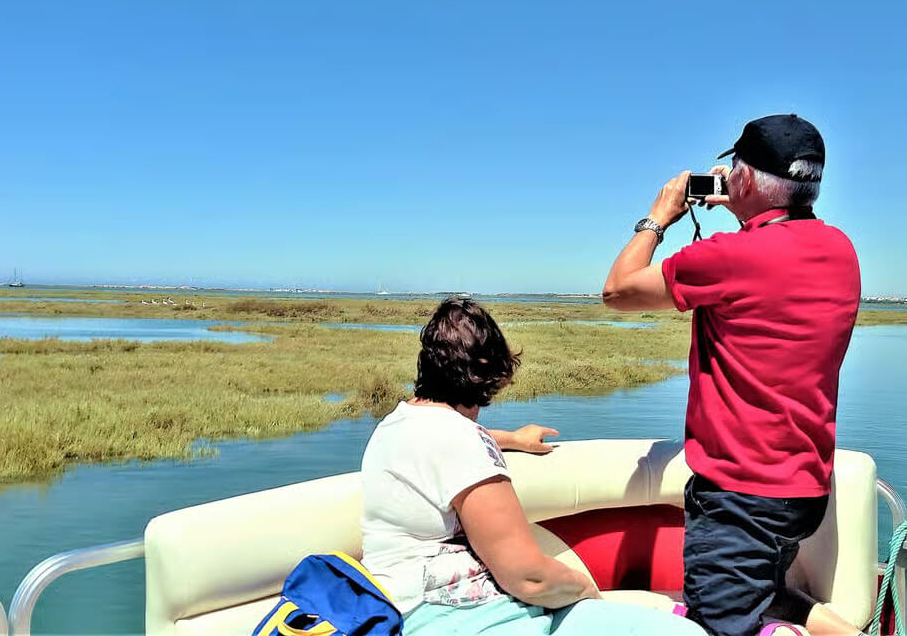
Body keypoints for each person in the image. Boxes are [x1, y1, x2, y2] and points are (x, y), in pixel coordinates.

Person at [602, 115, 864, 636]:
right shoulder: (841, 250)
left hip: (739, 499)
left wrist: (658, 217)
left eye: (735, 169)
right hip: (802, 490)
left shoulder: (728, 257)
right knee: (768, 597)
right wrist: (749, 207)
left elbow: (617, 290)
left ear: (741, 179)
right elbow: (778, 251)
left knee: (721, 626)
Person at [360, 296, 705, 635]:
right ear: (486, 373)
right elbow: (528, 577)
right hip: (467, 616)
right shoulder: (460, 440)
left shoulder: (395, 424)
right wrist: (587, 590)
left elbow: (444, 442)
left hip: (404, 609)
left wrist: (512, 438)